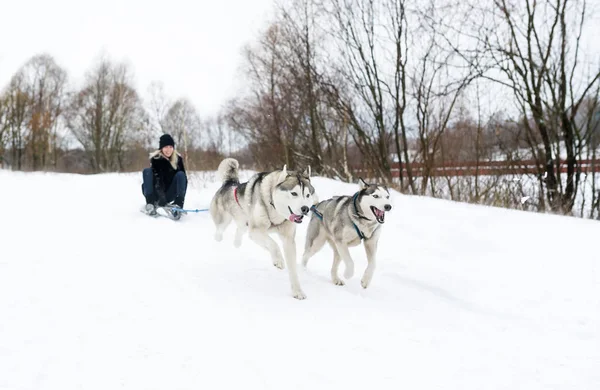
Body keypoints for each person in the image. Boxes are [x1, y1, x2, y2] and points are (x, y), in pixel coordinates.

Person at [141, 134, 187, 218]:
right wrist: (161, 199)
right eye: (166, 147)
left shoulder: (178, 159)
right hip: (155, 193)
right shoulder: (156, 159)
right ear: (161, 148)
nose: (168, 150)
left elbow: (183, 181)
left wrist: (180, 201)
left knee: (181, 174)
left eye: (170, 147)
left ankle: (178, 205)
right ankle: (150, 204)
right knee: (147, 171)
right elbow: (158, 180)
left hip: (169, 193)